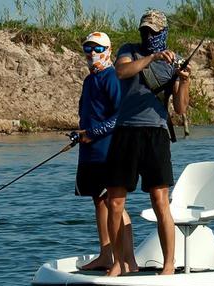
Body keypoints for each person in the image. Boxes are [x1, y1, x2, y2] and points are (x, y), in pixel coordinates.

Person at [106, 9, 191, 276]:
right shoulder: (129, 50)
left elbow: (180, 107)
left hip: (156, 133)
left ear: (163, 32)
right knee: (115, 201)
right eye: (145, 31)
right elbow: (121, 72)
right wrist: (152, 57)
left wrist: (184, 80)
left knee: (159, 199)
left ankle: (168, 265)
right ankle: (118, 262)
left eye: (154, 32)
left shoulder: (174, 61)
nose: (149, 35)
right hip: (125, 132)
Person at [75, 32, 137, 271]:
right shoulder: (89, 80)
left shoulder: (112, 77)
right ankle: (106, 253)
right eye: (88, 49)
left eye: (98, 49)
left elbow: (121, 115)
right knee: (99, 202)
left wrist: (95, 133)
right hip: (89, 152)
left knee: (115, 203)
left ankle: (128, 260)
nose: (92, 54)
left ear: (108, 51)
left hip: (109, 150)